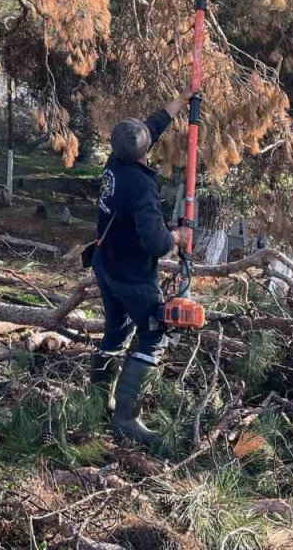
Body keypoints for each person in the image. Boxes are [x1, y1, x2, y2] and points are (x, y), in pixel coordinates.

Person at [90, 88, 196, 446]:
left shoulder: (115, 161)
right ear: (144, 153)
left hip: (106, 264)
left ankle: (95, 404)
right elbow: (155, 242)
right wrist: (178, 236)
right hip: (133, 275)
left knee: (116, 332)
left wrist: (182, 101)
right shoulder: (142, 188)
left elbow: (150, 126)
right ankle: (126, 419)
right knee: (153, 334)